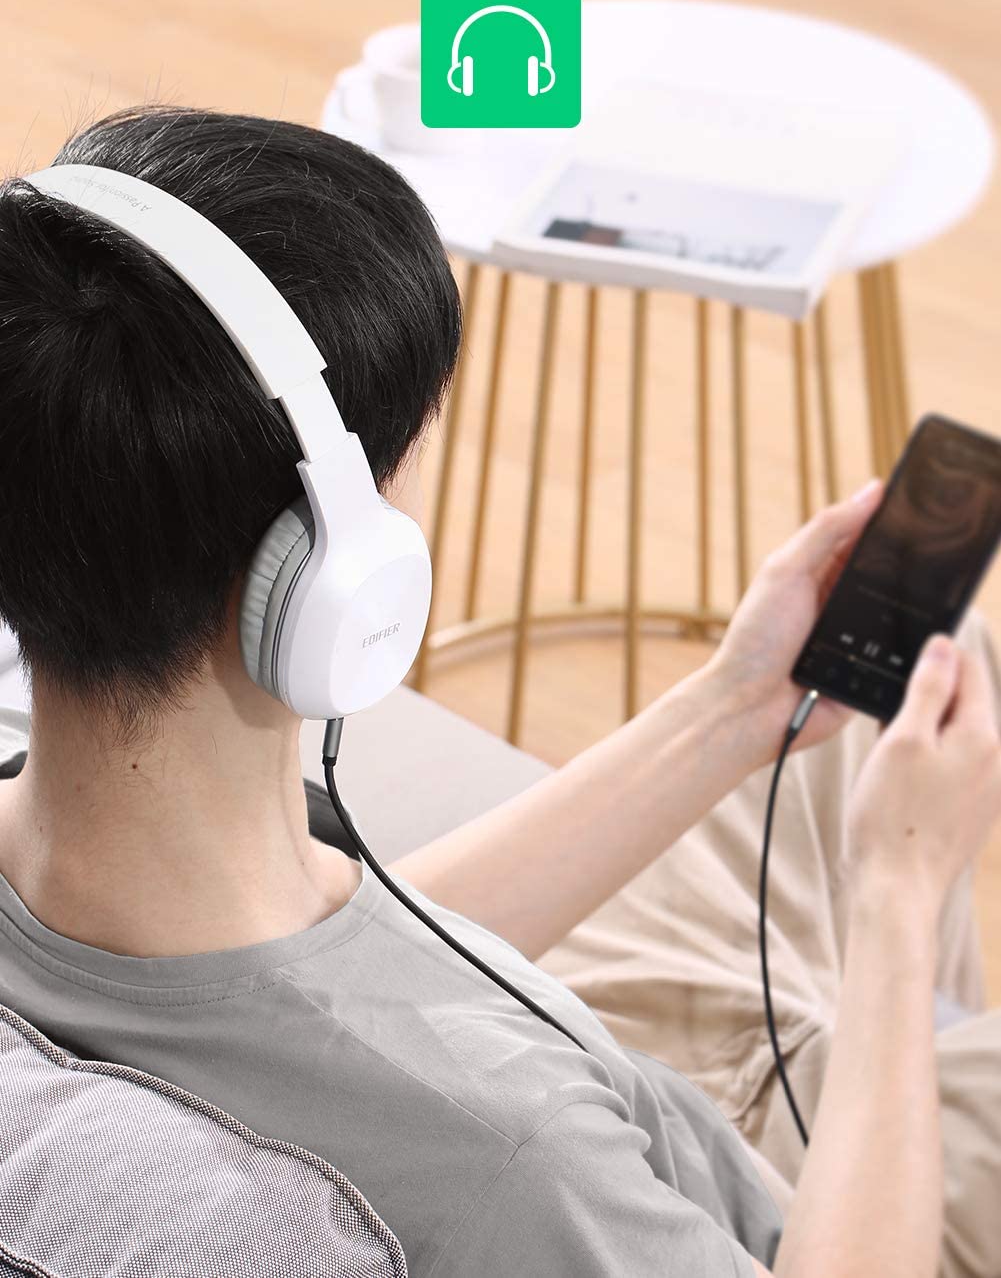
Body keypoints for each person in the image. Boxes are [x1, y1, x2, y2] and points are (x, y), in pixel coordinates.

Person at [0, 102, 998, 1278]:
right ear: (326, 573)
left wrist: (732, 705)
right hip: (802, 1221)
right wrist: (895, 892)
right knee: (945, 696)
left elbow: (304, 1002)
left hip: (593, 1053)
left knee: (867, 715)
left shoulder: (119, 884)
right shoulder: (511, 1173)